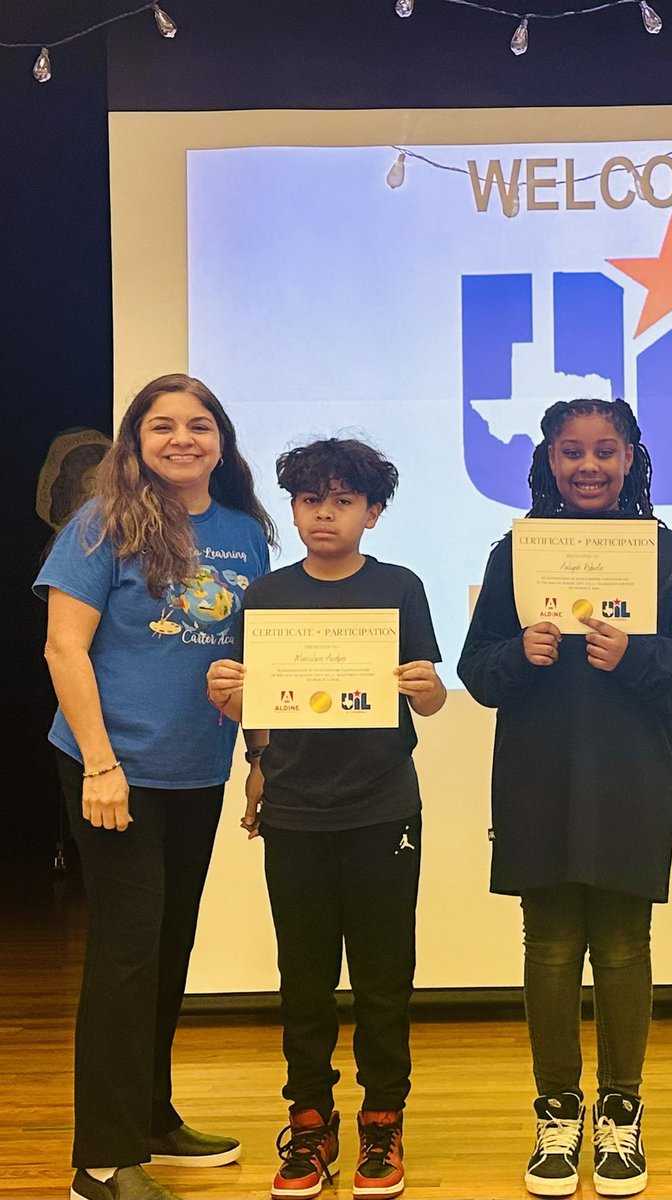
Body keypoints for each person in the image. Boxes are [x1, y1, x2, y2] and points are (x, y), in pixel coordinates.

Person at [458, 398, 672, 1198]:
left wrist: (635, 656)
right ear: (546, 461)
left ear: (633, 457)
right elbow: (477, 673)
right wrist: (521, 653)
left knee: (620, 947)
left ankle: (620, 1111)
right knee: (545, 946)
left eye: (605, 451)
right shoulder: (514, 555)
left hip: (632, 776)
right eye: (571, 452)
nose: (588, 467)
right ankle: (557, 1111)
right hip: (539, 774)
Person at [35, 374, 276, 1200]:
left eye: (199, 425)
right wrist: (102, 766)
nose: (183, 439)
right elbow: (64, 649)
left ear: (221, 439)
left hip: (196, 768)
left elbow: (255, 666)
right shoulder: (101, 524)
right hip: (113, 769)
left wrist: (260, 764)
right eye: (162, 425)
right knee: (127, 956)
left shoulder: (246, 533)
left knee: (168, 950)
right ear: (135, 440)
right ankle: (100, 1160)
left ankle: (150, 1117)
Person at [206, 438, 445, 1200]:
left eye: (343, 501)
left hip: (382, 806)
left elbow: (432, 700)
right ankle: (309, 1120)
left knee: (383, 975)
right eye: (311, 500)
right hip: (296, 810)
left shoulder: (400, 587)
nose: (324, 514)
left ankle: (382, 1119)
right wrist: (247, 747)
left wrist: (426, 687)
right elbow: (258, 712)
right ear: (294, 508)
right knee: (303, 975)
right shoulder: (268, 596)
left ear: (373, 513)